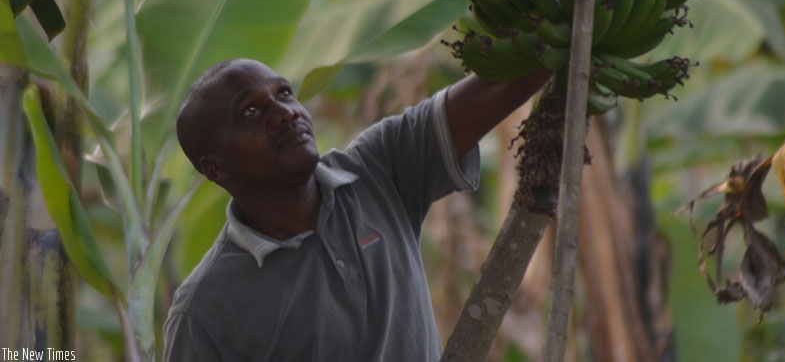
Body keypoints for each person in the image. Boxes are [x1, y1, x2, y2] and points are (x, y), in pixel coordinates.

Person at [162, 57, 549, 361]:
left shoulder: (377, 169)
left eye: (284, 93)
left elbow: (499, 85)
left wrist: (576, 25)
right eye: (250, 111)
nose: (286, 113)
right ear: (215, 167)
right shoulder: (206, 310)